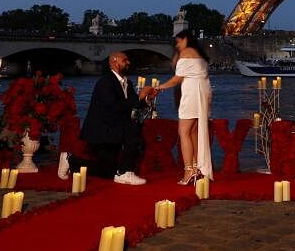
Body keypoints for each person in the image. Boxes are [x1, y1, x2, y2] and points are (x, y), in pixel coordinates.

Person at [78, 51, 155, 184]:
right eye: (125, 60)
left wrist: (146, 99)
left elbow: (132, 105)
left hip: (115, 129)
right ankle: (125, 171)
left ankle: (70, 160)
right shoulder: (105, 82)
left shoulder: (128, 83)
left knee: (107, 171)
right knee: (133, 130)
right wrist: (139, 96)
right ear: (115, 61)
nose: (128, 63)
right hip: (103, 131)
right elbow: (113, 106)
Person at [155, 30, 213, 184]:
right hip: (203, 92)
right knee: (194, 132)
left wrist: (159, 87)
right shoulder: (200, 54)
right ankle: (197, 168)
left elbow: (177, 78)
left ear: (185, 39)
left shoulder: (186, 52)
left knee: (184, 131)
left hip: (192, 93)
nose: (177, 44)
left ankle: (188, 170)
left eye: (178, 41)